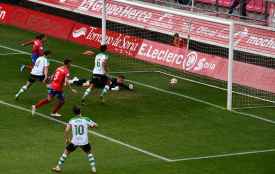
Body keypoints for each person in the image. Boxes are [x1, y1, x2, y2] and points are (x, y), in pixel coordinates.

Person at [52, 106, 98, 173]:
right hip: (84, 141)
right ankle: (93, 168)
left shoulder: (71, 120)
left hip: (75, 141)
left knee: (66, 152)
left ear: (74, 113)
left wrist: (67, 139)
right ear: (80, 111)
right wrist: (93, 125)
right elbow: (95, 125)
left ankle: (58, 167)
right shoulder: (86, 119)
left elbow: (66, 130)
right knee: (89, 153)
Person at [69, 75, 134, 91]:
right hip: (99, 83)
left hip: (100, 85)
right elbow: (109, 86)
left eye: (122, 80)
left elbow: (124, 86)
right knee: (86, 84)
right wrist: (114, 88)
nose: (121, 81)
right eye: (121, 80)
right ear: (118, 78)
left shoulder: (119, 83)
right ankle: (73, 81)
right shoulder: (113, 80)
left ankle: (76, 79)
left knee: (86, 83)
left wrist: (129, 87)